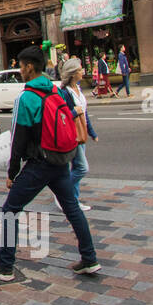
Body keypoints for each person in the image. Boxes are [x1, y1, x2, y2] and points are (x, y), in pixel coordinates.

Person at [0, 46, 100, 280]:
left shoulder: (26, 98)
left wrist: (12, 172)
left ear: (29, 67)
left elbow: (19, 139)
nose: (20, 70)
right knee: (72, 208)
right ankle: (90, 258)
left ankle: (5, 266)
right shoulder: (56, 91)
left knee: (10, 210)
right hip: (60, 160)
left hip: (39, 163)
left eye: (22, 66)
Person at [58, 57, 96, 212]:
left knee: (76, 167)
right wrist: (75, 111)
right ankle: (63, 193)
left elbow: (85, 113)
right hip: (73, 134)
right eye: (80, 70)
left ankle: (72, 200)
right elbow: (63, 115)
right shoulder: (65, 93)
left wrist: (92, 132)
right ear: (73, 74)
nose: (82, 72)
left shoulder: (78, 89)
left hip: (81, 133)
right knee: (82, 168)